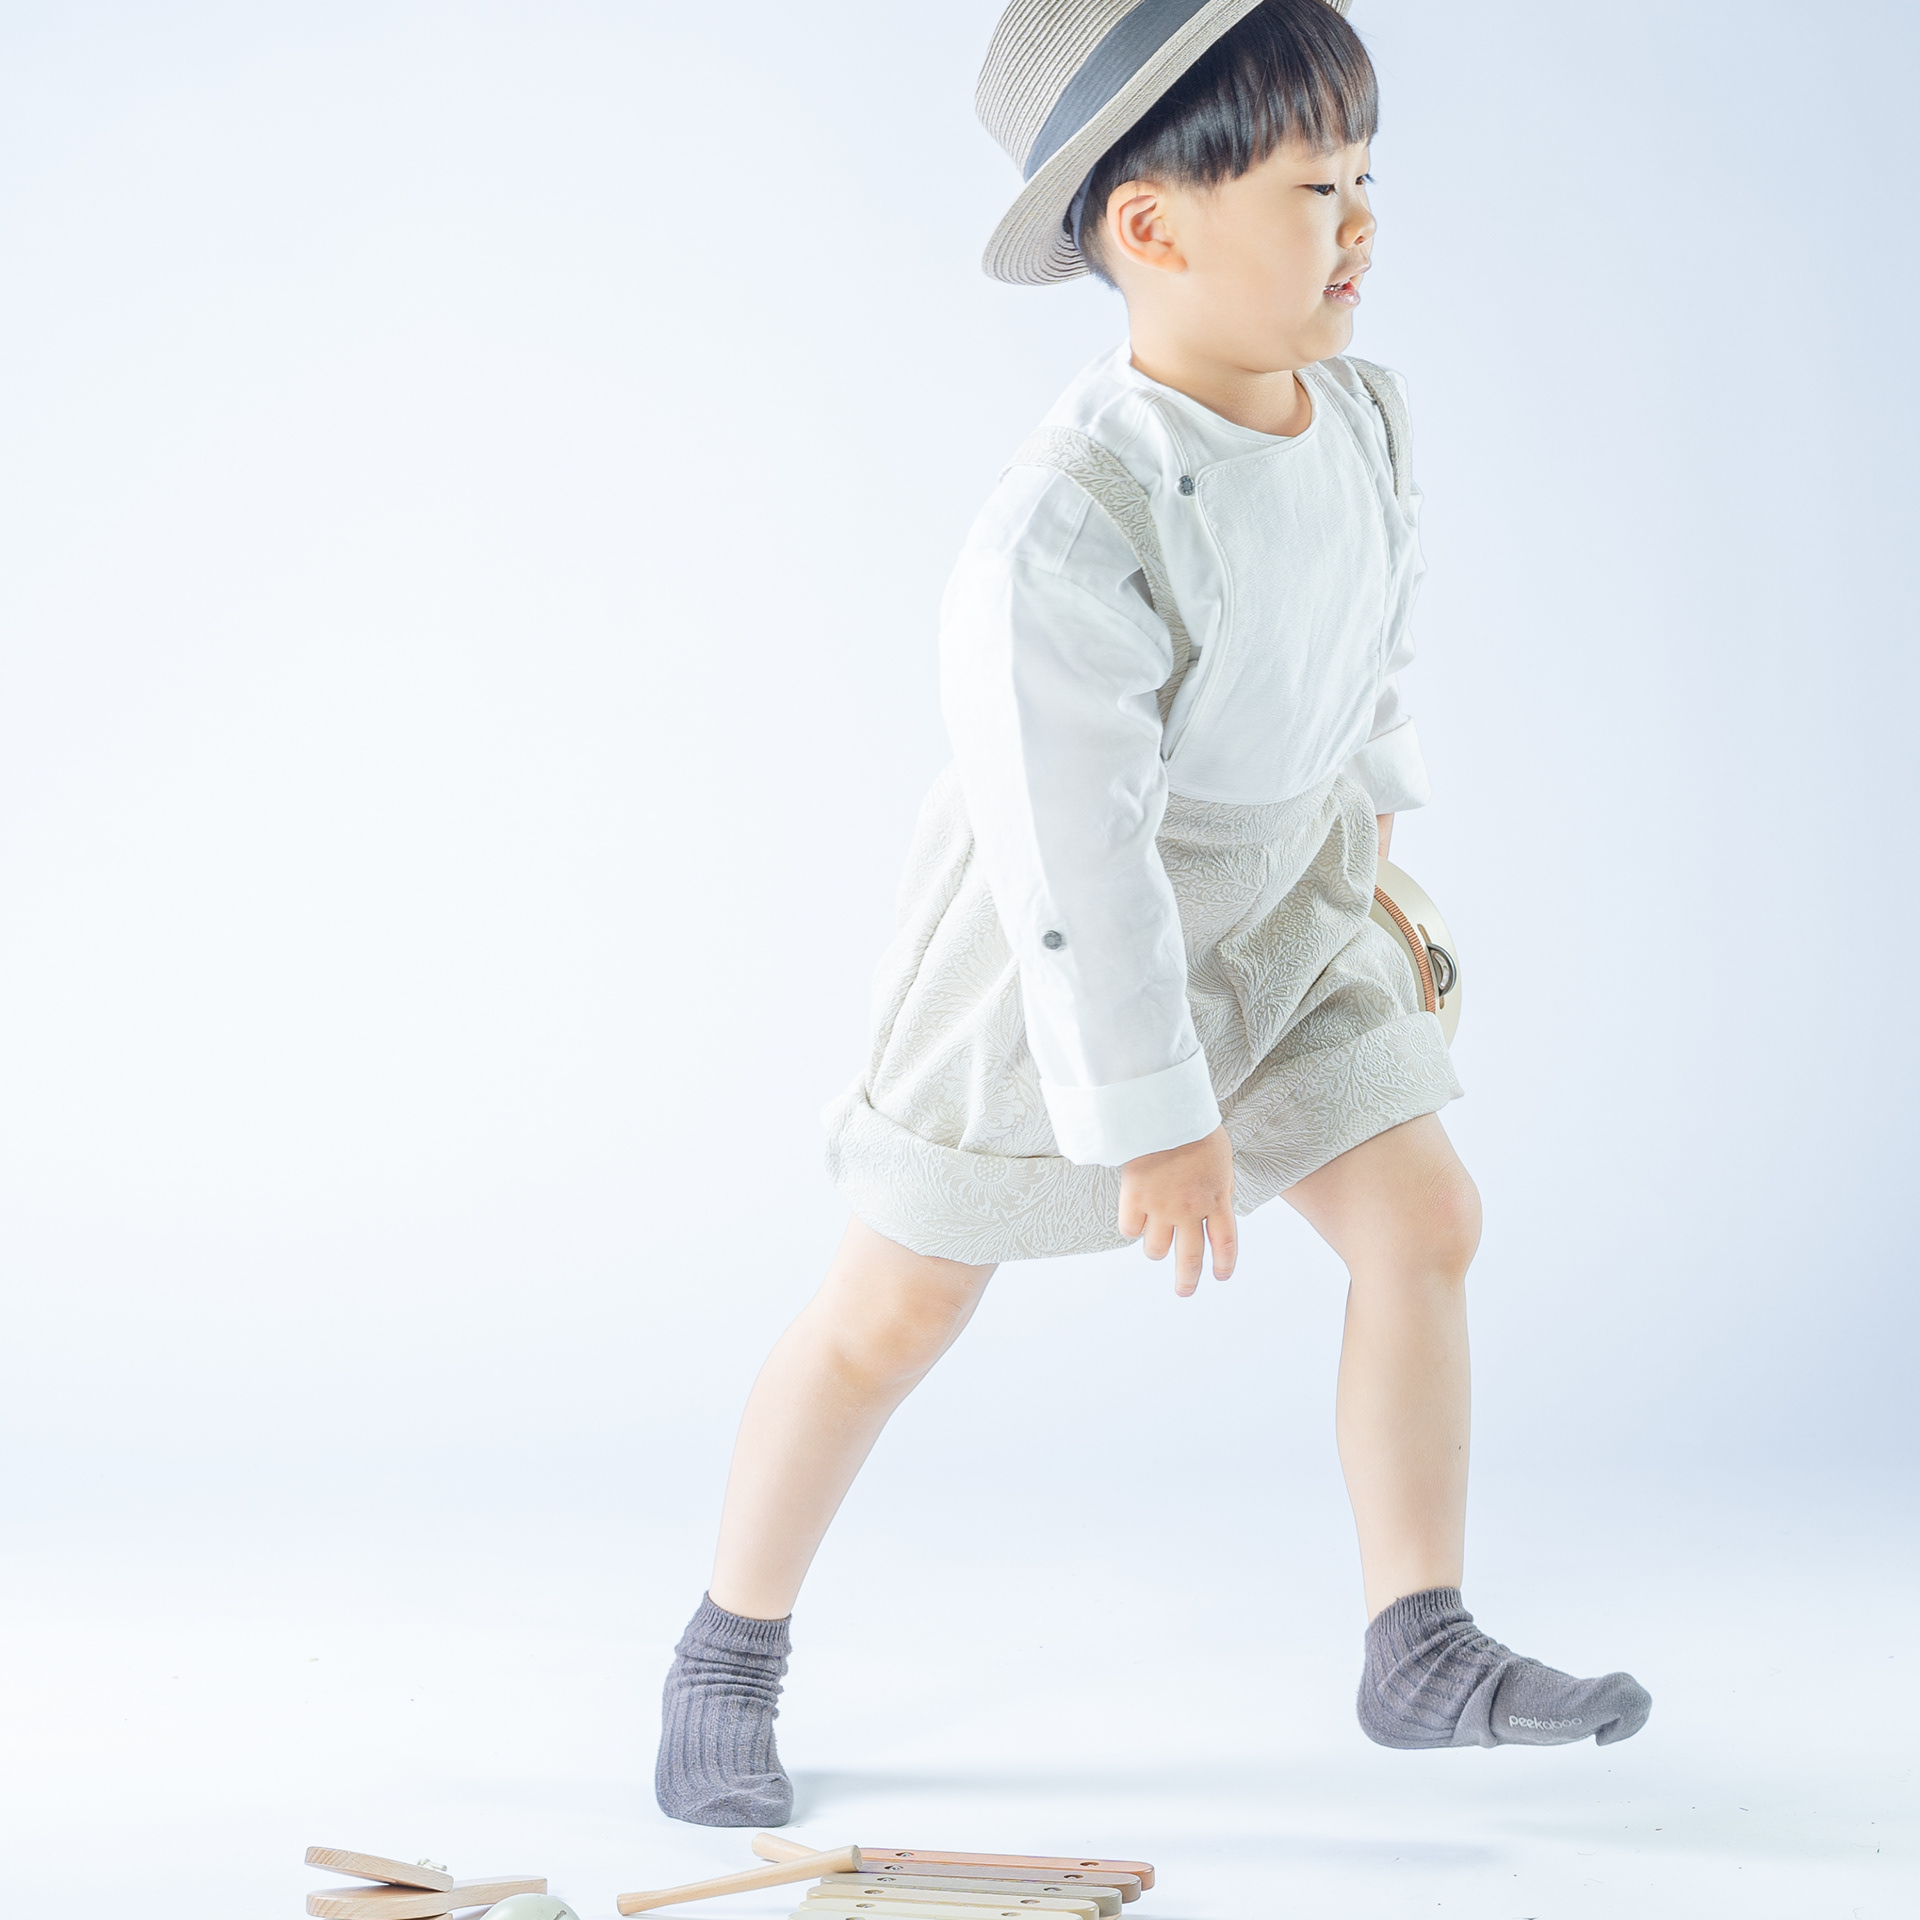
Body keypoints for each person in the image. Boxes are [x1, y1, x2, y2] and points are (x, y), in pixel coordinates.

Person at [653, 0, 1650, 1827]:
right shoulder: (1068, 522)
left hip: (1284, 898)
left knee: (1425, 1215)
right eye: (1314, 188)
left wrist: (1376, 848)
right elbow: (1075, 858)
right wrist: (1158, 1112)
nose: (1362, 223)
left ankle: (1419, 1639)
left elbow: (1365, 654)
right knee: (893, 1307)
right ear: (1151, 226)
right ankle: (728, 1648)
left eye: (1368, 178)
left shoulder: (1364, 416)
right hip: (1063, 954)